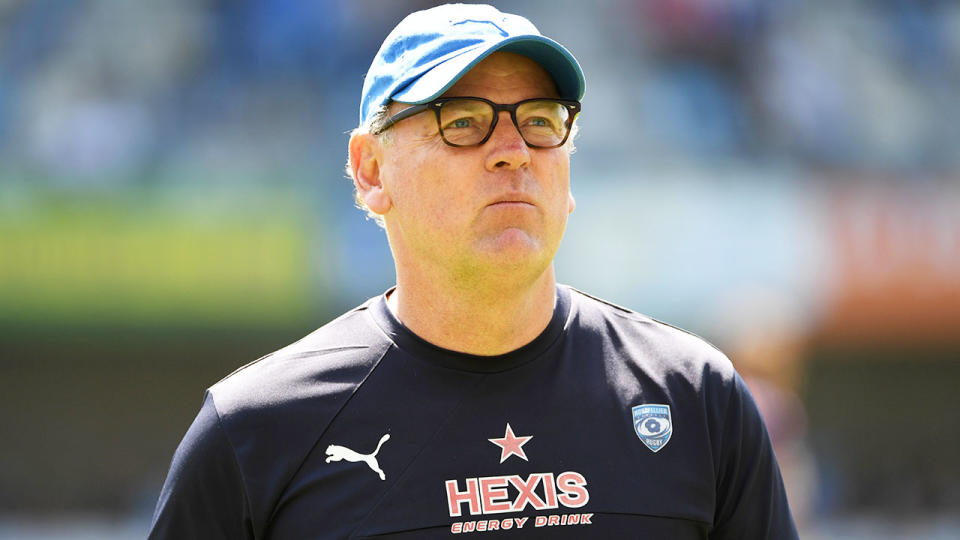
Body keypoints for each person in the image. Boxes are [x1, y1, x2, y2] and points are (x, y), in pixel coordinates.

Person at [149, 4, 798, 539]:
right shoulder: (255, 432)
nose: (513, 152)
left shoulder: (697, 401)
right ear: (372, 169)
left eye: (541, 123)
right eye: (464, 123)